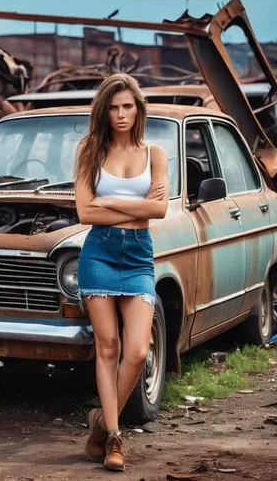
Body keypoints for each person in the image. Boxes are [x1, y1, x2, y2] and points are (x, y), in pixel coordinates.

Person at [74, 73, 168, 472]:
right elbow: (84, 212)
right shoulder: (89, 150)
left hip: (138, 255)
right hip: (99, 253)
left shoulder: (156, 154)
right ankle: (114, 437)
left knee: (138, 350)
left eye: (128, 106)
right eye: (113, 108)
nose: (121, 114)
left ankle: (99, 420)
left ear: (138, 109)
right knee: (108, 347)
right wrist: (135, 204)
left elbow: (159, 210)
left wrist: (108, 199)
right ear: (104, 111)